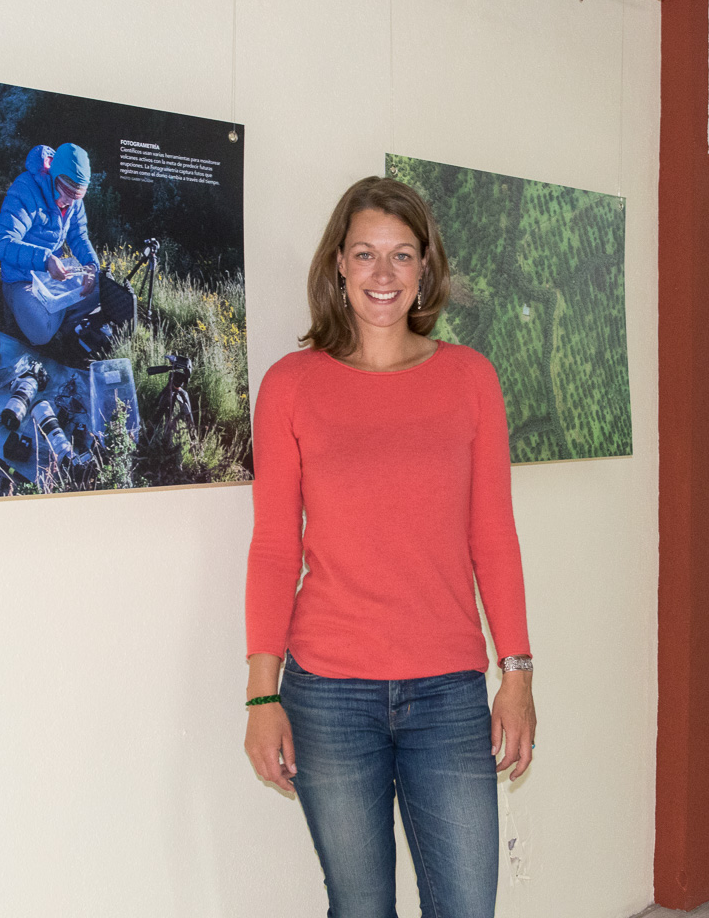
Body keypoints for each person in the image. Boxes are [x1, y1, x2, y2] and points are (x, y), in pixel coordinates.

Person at [244, 176, 536, 918]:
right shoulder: (291, 385)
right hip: (329, 694)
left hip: (448, 692)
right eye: (366, 254)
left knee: (467, 906)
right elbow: (277, 547)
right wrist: (261, 693)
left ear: (425, 268)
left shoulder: (470, 379)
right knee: (361, 908)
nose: (383, 275)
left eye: (402, 256)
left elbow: (493, 537)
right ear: (338, 263)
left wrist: (518, 674)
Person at [0, 142, 100, 347]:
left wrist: (91, 266)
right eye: (66, 194)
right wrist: (45, 259)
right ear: (54, 177)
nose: (69, 202)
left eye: (77, 197)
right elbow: (2, 242)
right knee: (40, 333)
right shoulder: (25, 190)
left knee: (102, 285)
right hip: (22, 279)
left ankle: (57, 310)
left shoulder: (73, 200)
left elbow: (79, 236)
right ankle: (56, 313)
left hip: (52, 278)